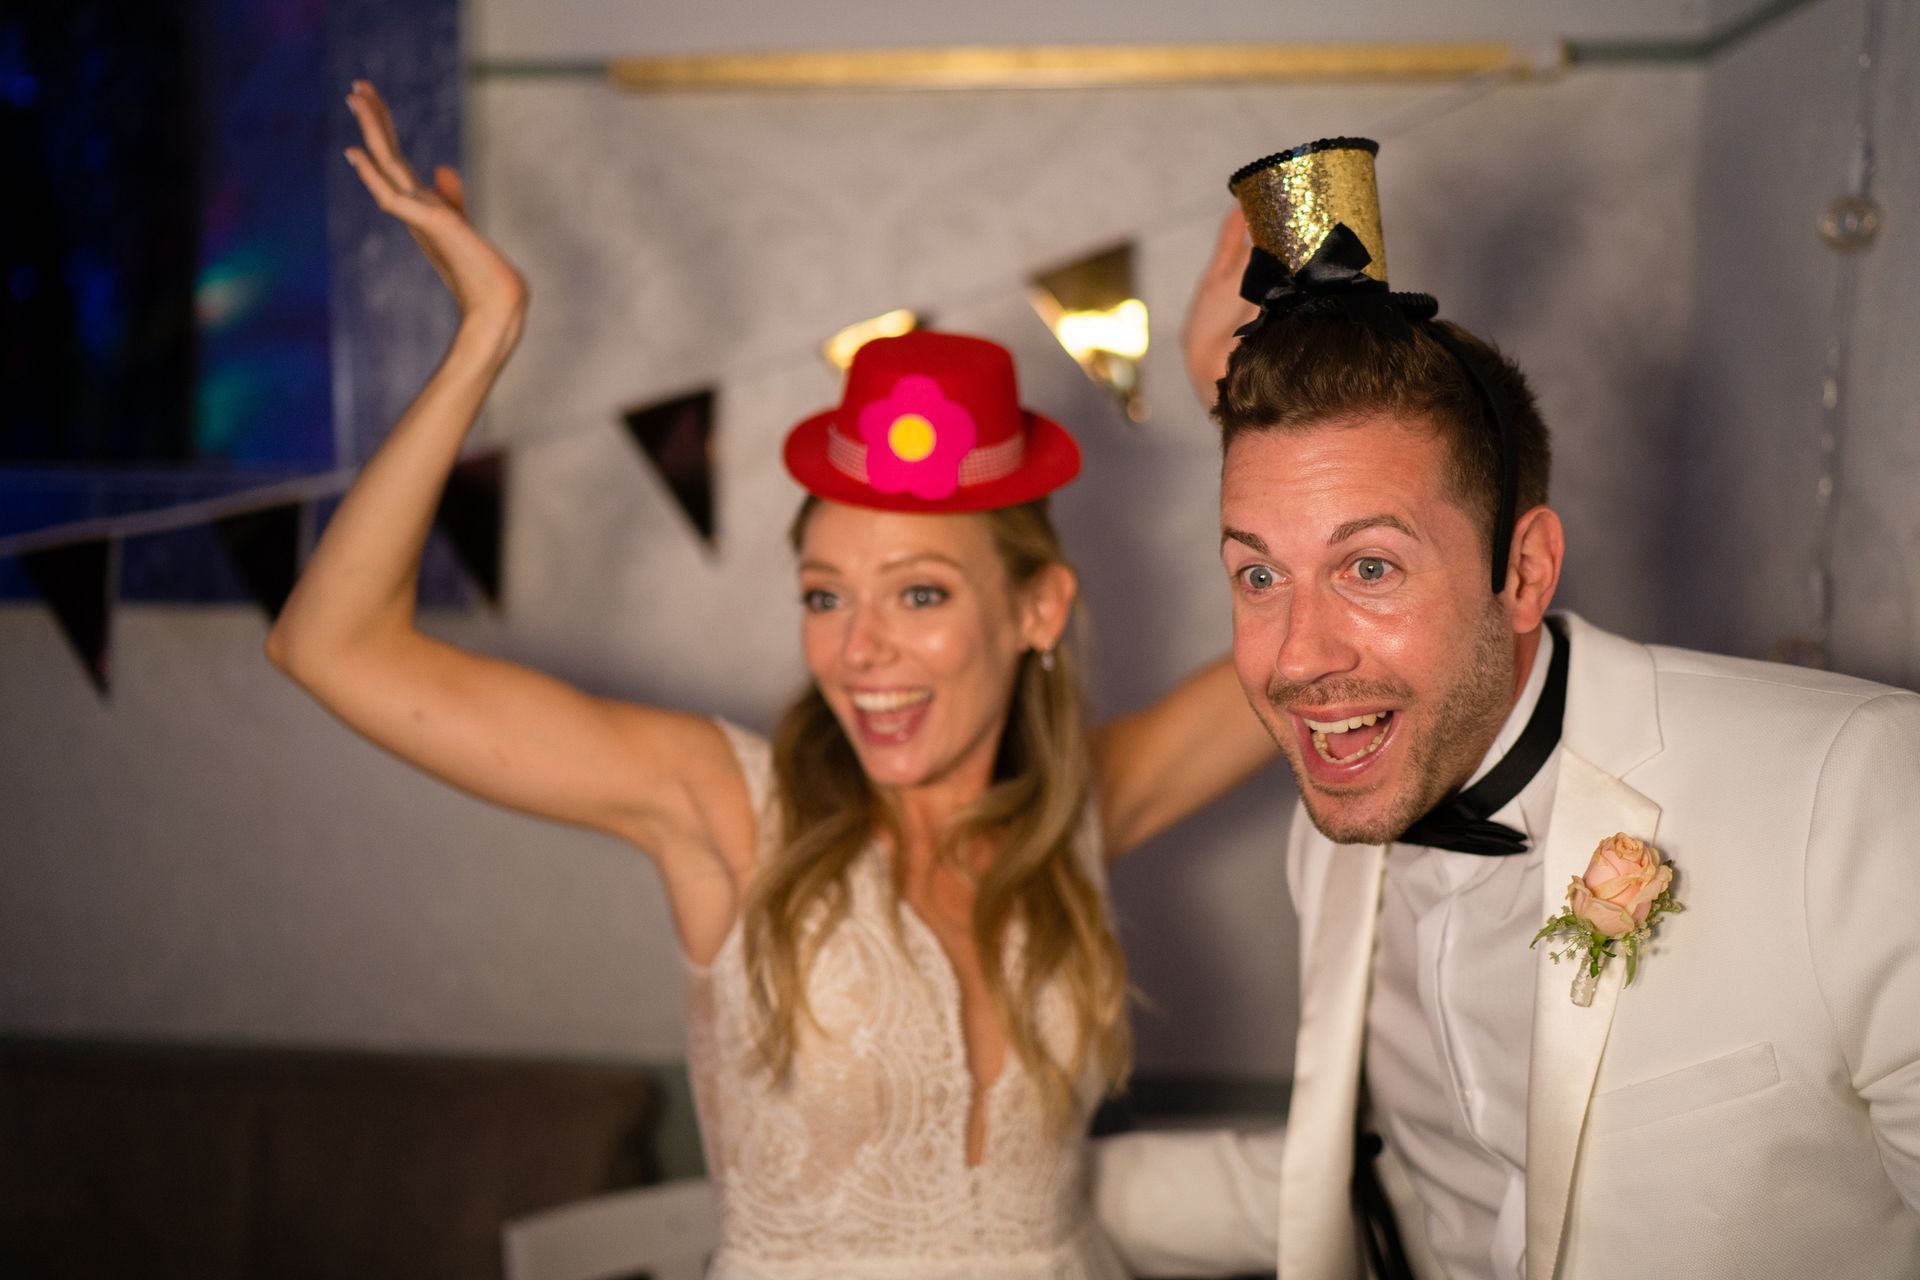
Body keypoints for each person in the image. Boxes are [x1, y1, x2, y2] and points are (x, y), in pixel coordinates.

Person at [268, 82, 1277, 1278]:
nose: (859, 651)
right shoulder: (724, 805)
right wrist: (484, 332)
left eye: (919, 593)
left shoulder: (1078, 811)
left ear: (1036, 609)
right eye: (822, 594)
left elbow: (1313, 651)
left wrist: (1245, 409)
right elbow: (331, 645)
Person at [1092, 138, 1920, 1279]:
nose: (1297, 656)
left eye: (1371, 568)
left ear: (1523, 572)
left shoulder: (1854, 791)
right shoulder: (1337, 823)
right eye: (1257, 573)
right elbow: (1396, 1178)